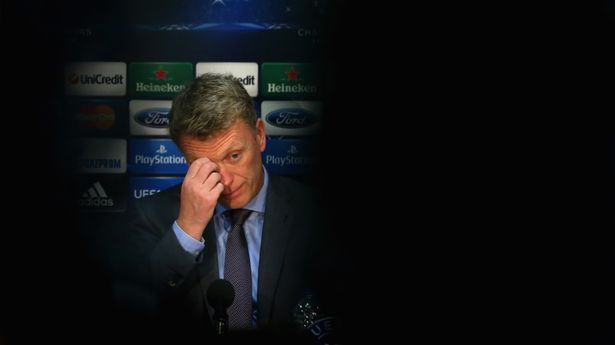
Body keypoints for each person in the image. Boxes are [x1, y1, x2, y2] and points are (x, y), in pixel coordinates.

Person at [112, 73, 338, 341]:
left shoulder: (316, 212)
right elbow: (135, 314)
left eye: (234, 156)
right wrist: (187, 229)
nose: (226, 181)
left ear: (260, 135)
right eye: (205, 165)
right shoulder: (150, 216)